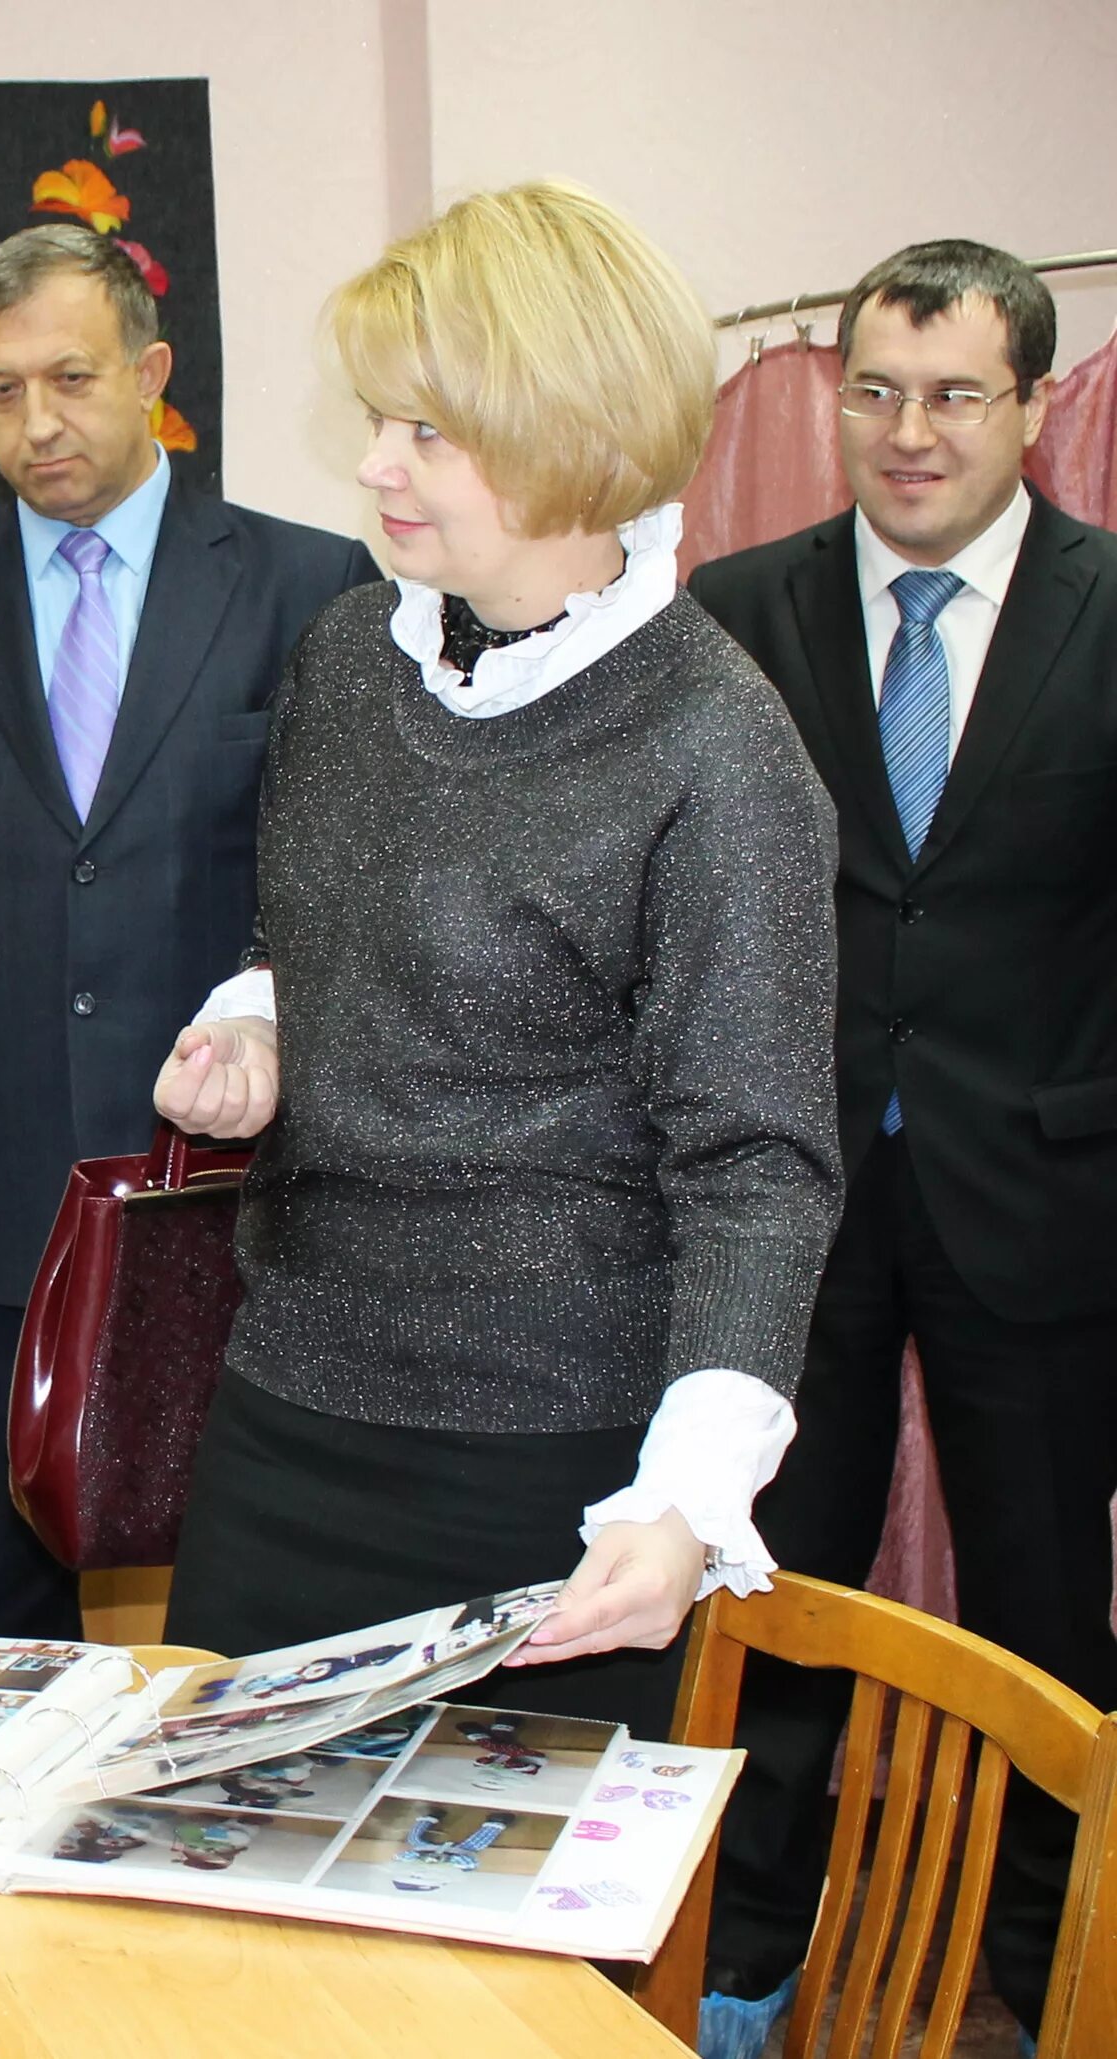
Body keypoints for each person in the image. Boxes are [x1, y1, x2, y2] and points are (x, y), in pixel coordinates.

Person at [149, 180, 842, 1742]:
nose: (374, 464)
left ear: (564, 437)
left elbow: (758, 1171)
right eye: (380, 418)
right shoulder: (349, 657)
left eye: (426, 433)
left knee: (512, 1975)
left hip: (556, 1469)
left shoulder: (717, 751)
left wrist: (683, 1504)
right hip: (287, 1416)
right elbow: (300, 933)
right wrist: (255, 1027)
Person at [0, 224, 380, 1640]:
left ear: (152, 374)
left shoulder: (312, 587)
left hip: (240, 1179)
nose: (37, 423)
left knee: (264, 1593)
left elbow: (343, 876)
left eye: (69, 378)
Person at [685, 239, 1117, 2058]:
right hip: (796, 1203)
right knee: (775, 1595)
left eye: (952, 394)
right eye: (874, 391)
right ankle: (743, 1966)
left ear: (1031, 404)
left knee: (1041, 1627)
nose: (909, 433)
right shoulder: (735, 607)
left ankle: (1039, 1979)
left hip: (1049, 1197)